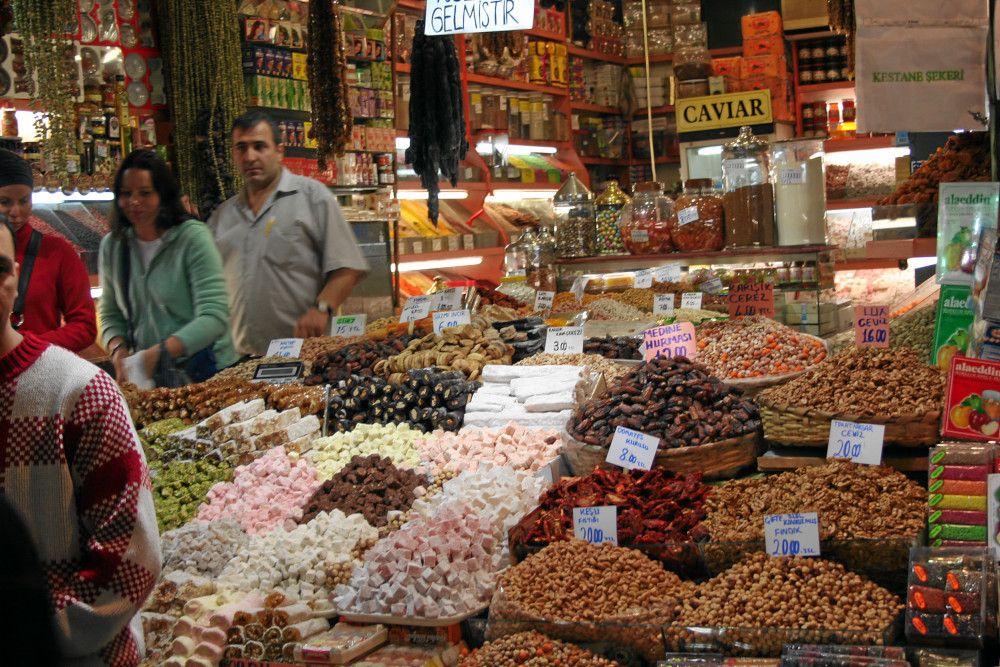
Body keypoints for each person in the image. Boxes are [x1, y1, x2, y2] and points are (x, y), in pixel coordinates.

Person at [0, 216, 161, 666]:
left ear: (14, 278)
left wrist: (35, 633)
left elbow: (134, 555)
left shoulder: (77, 392)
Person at [209, 109, 370, 356]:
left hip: (299, 356)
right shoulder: (222, 216)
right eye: (241, 148)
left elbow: (347, 268)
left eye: (259, 146)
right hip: (237, 363)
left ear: (279, 151)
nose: (250, 156)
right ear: (233, 155)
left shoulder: (313, 198)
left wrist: (321, 308)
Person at [99, 149, 238, 385]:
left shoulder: (192, 238)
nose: (134, 202)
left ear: (163, 195)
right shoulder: (114, 246)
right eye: (126, 194)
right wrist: (118, 351)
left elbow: (214, 316)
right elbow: (110, 314)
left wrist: (160, 354)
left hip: (207, 373)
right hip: (152, 377)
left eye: (145, 193)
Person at [0, 148, 97, 352]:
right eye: (4, 202)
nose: (16, 212)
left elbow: (84, 326)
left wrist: (30, 348)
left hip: (39, 373)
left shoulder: (58, 252)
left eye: (24, 201)